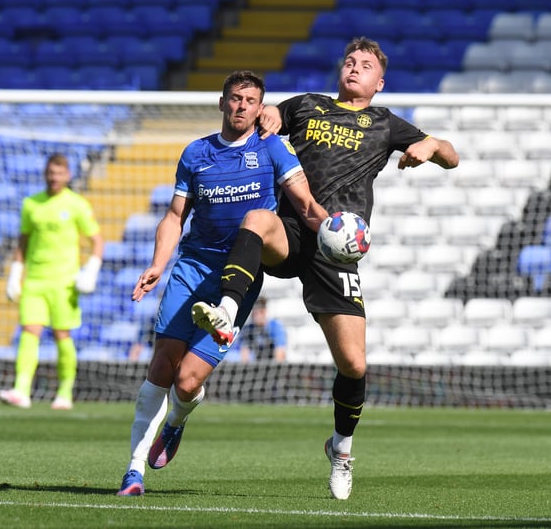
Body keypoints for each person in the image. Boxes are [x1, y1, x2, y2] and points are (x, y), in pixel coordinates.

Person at [193, 37, 459, 500]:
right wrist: (271, 112)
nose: (354, 67)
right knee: (257, 219)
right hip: (294, 228)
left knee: (353, 364)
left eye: (366, 64)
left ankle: (341, 448)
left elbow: (453, 158)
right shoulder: (309, 105)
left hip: (336, 248)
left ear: (380, 82)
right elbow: (267, 114)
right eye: (350, 61)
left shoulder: (385, 124)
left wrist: (432, 144)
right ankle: (228, 314)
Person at [116, 70, 328, 496]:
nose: (241, 106)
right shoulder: (196, 154)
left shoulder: (272, 148)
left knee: (188, 382)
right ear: (222, 102)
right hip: (192, 266)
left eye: (250, 100)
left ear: (260, 106)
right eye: (235, 98)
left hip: (240, 275)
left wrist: (333, 229)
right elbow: (175, 217)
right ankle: (133, 469)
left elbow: (303, 202)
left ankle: (175, 423)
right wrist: (159, 263)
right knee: (162, 363)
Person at [0, 153, 104, 411]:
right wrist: (15, 274)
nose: (53, 178)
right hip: (35, 280)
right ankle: (21, 390)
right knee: (29, 331)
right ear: (45, 174)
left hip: (64, 282)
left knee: (61, 334)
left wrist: (90, 270)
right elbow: (22, 242)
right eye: (50, 173)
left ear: (67, 176)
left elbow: (97, 241)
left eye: (58, 173)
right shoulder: (31, 204)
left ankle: (65, 392)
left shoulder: (77, 204)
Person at [238, 297, 287, 362]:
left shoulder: (275, 326)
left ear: (265, 311)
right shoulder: (247, 330)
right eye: (255, 312)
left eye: (261, 311)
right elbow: (244, 356)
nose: (258, 314)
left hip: (274, 365)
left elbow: (280, 354)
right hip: (258, 366)